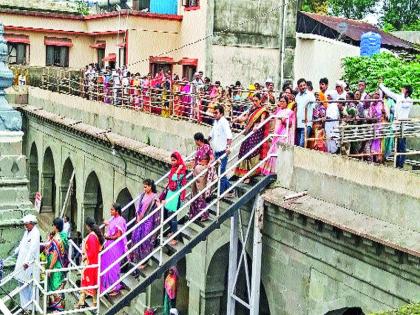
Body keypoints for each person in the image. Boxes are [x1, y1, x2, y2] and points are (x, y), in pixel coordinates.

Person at [233, 93, 270, 183]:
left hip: (257, 134)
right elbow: (245, 118)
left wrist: (257, 126)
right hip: (250, 132)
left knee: (251, 151)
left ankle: (250, 175)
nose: (254, 102)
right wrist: (237, 119)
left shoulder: (263, 110)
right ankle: (242, 174)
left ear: (260, 100)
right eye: (253, 101)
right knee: (244, 150)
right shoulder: (252, 109)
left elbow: (262, 121)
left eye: (256, 101)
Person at [379, 82, 413, 168]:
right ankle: (397, 163)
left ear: (407, 91)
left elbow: (404, 105)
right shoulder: (399, 98)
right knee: (397, 145)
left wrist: (401, 100)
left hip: (403, 125)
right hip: (396, 124)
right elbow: (389, 92)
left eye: (404, 89)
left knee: (402, 145)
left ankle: (400, 164)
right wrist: (381, 86)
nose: (402, 89)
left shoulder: (409, 100)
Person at [261, 95, 295, 175]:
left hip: (284, 134)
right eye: (280, 101)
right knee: (273, 150)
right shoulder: (278, 111)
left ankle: (277, 171)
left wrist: (283, 120)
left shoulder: (290, 112)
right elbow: (272, 118)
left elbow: (290, 124)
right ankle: (270, 170)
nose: (282, 103)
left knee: (278, 151)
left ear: (287, 103)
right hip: (276, 133)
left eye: (284, 101)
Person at [14, 214, 40, 314]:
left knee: (30, 285)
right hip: (21, 262)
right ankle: (24, 306)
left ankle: (31, 307)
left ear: (32, 224)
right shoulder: (27, 232)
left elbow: (32, 249)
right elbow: (22, 243)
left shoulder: (36, 233)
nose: (25, 226)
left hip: (30, 264)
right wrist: (17, 250)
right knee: (21, 283)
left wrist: (26, 262)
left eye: (27, 224)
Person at [131, 179, 159, 269]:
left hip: (148, 221)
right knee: (136, 238)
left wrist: (160, 203)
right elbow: (139, 207)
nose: (144, 188)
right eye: (144, 187)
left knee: (145, 240)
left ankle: (144, 261)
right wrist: (138, 218)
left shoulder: (154, 196)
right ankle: (138, 259)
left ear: (150, 187)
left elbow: (159, 206)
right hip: (140, 220)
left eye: (145, 187)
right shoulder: (143, 195)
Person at [76, 217, 104, 308]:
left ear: (87, 226)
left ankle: (91, 302)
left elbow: (92, 252)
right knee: (88, 282)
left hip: (90, 263)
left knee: (87, 282)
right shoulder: (94, 234)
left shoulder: (92, 236)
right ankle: (82, 301)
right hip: (93, 263)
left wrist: (85, 257)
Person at [100, 203, 127, 296]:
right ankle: (110, 286)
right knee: (107, 265)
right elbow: (112, 227)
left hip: (116, 246)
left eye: (112, 210)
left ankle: (116, 287)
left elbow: (119, 236)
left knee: (114, 267)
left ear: (117, 211)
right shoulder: (114, 219)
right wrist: (107, 223)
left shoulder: (120, 220)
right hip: (110, 245)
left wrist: (108, 238)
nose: (110, 211)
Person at [161, 152, 187, 245]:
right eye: (171, 160)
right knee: (168, 215)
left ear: (178, 160)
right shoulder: (173, 168)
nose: (172, 162)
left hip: (176, 195)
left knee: (173, 217)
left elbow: (176, 179)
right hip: (170, 194)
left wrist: (178, 170)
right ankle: (172, 232)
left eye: (174, 160)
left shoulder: (182, 170)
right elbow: (171, 179)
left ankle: (175, 238)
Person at [189, 133, 215, 222]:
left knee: (201, 193)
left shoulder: (207, 147)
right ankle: (196, 214)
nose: (195, 142)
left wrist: (209, 164)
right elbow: (196, 160)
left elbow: (212, 157)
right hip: (197, 172)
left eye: (195, 140)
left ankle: (204, 214)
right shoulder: (198, 148)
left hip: (202, 173)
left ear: (198, 140)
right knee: (194, 192)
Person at [208, 105, 234, 196]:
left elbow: (229, 137)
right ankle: (230, 189)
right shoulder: (216, 122)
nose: (214, 114)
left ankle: (221, 193)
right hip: (217, 151)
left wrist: (228, 147)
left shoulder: (224, 122)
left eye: (216, 113)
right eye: (214, 112)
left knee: (221, 171)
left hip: (223, 151)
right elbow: (211, 134)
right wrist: (206, 143)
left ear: (221, 114)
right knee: (218, 170)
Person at [45, 218, 67, 312]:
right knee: (57, 284)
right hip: (61, 264)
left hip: (56, 265)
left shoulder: (57, 238)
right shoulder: (62, 236)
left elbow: (55, 255)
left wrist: (50, 268)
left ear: (56, 226)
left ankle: (58, 308)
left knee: (55, 285)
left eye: (53, 225)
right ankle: (56, 305)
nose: (52, 227)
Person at [295, 78, 316, 147]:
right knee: (298, 145)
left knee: (302, 145)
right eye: (301, 86)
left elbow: (314, 108)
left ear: (306, 85)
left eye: (304, 85)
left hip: (306, 124)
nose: (303, 87)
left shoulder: (310, 95)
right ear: (298, 87)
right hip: (298, 124)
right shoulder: (297, 96)